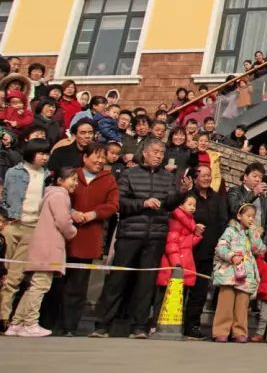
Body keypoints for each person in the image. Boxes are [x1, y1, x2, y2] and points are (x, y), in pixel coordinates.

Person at [91, 138, 191, 338]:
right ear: (144, 153)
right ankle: (103, 325)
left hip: (155, 237)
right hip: (130, 234)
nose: (158, 156)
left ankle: (139, 327)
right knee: (117, 281)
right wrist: (143, 203)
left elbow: (169, 204)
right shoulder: (129, 174)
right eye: (154, 152)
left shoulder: (168, 177)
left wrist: (182, 193)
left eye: (161, 153)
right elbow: (120, 201)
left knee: (146, 283)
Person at [5, 166, 78, 337]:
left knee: (33, 286)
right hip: (49, 246)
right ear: (60, 180)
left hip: (41, 244)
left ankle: (17, 323)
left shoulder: (48, 193)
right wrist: (73, 231)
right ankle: (30, 323)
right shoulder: (60, 195)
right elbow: (63, 221)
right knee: (40, 285)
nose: (75, 183)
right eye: (72, 179)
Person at [60, 143, 119, 336]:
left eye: (103, 157)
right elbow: (59, 196)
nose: (100, 161)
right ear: (84, 158)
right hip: (63, 236)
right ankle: (50, 322)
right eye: (96, 156)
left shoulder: (108, 179)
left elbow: (112, 205)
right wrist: (72, 212)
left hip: (89, 236)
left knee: (78, 284)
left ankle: (70, 326)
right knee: (57, 282)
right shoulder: (73, 175)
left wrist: (92, 214)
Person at [0, 138, 50, 328]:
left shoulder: (48, 176)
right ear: (31, 153)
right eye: (41, 153)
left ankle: (4, 318)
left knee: (15, 276)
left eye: (47, 154)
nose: (44, 157)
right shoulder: (14, 173)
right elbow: (4, 197)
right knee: (2, 272)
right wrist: (5, 218)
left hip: (32, 229)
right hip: (12, 225)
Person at [212, 202, 266, 343]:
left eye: (253, 217)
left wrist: (255, 234)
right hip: (229, 273)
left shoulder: (251, 233)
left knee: (242, 305)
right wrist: (231, 256)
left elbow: (260, 249)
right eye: (248, 216)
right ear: (239, 216)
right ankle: (221, 331)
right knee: (226, 303)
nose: (251, 219)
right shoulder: (230, 231)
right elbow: (220, 247)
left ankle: (239, 332)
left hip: (245, 274)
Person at [185, 164, 228, 340]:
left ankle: (192, 325)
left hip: (208, 252)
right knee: (182, 288)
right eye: (202, 175)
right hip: (187, 250)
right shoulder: (188, 195)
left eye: (209, 175)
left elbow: (222, 221)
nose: (206, 178)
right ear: (195, 178)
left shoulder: (217, 198)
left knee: (200, 292)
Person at [153, 193, 203, 325]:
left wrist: (197, 236)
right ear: (181, 204)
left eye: (194, 205)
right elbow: (171, 243)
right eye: (189, 204)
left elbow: (187, 244)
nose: (193, 208)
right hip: (174, 264)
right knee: (164, 296)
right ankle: (156, 323)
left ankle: (172, 324)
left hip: (184, 260)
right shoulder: (176, 220)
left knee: (178, 298)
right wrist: (176, 262)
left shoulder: (190, 222)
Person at [228, 162, 267, 248]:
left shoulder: (263, 198)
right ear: (245, 177)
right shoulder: (235, 191)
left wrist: (264, 244)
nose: (258, 180)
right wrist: (254, 193)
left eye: (260, 178)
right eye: (254, 176)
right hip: (237, 241)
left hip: (257, 243)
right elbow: (234, 208)